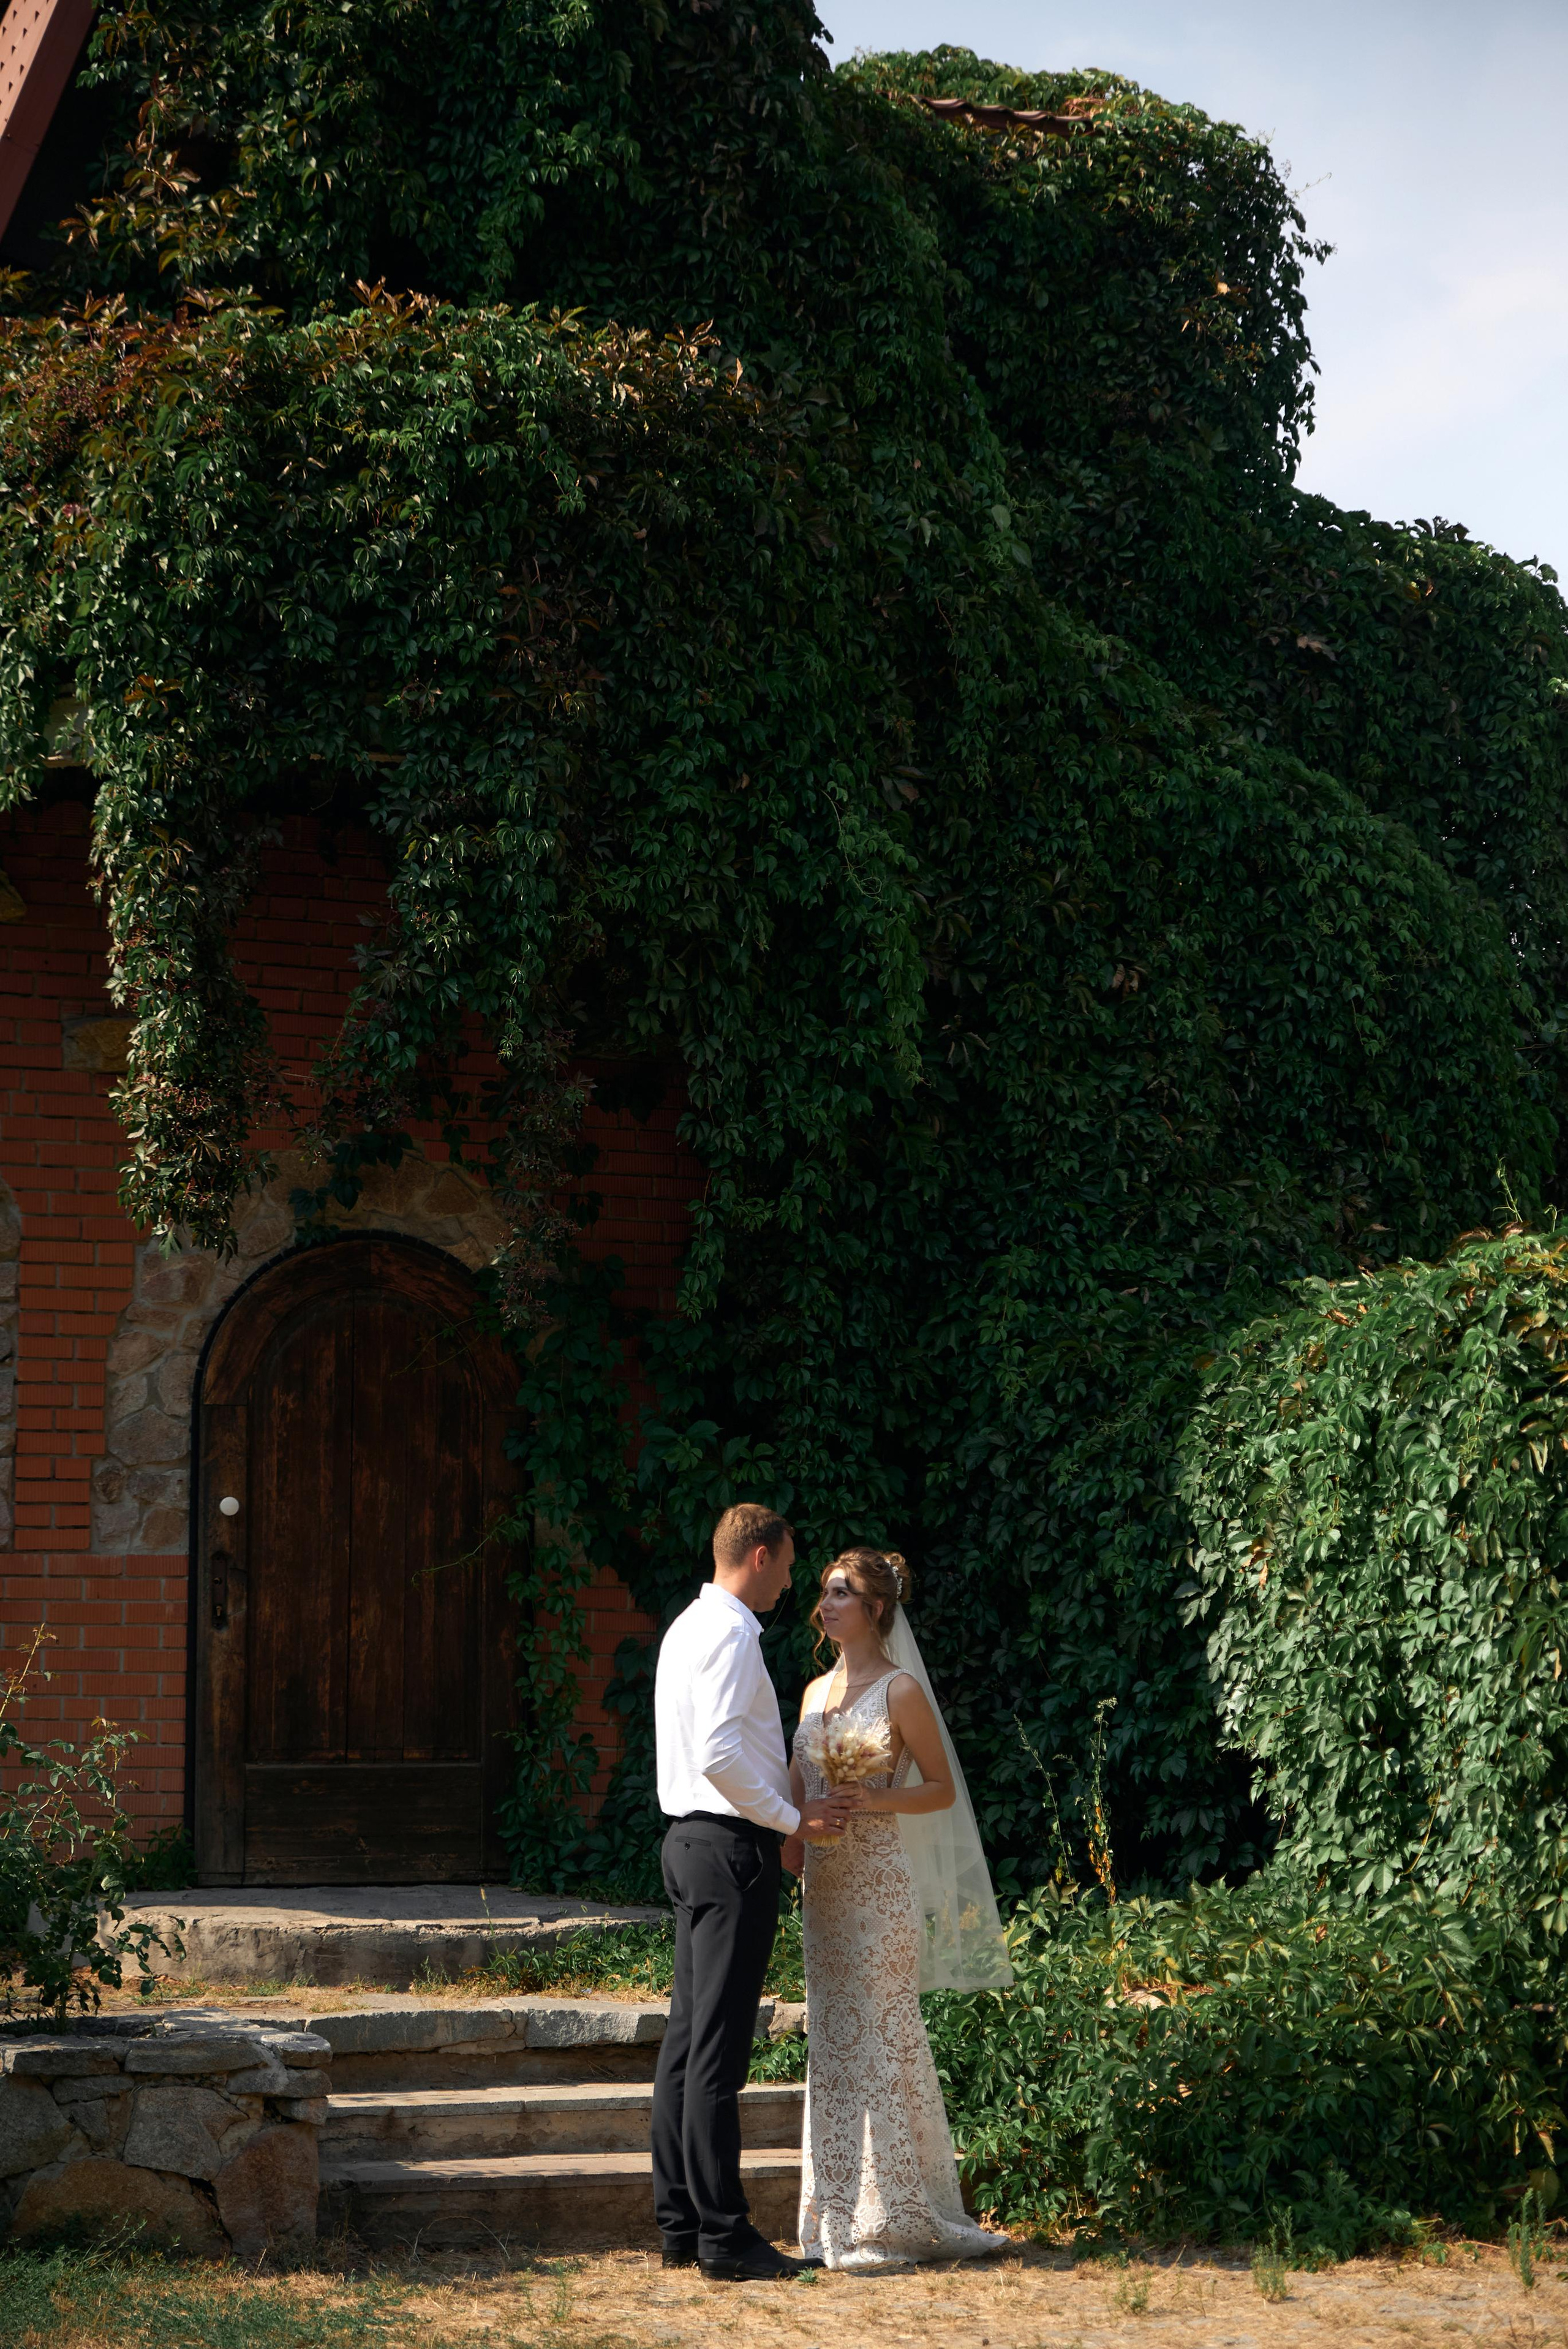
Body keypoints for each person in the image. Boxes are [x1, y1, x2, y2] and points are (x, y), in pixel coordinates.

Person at [783, 1547, 1014, 2271]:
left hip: (880, 1889)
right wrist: (795, 1836)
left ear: (877, 1609)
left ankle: (897, 2215)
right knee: (833, 2041)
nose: (826, 1604)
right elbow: (793, 1791)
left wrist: (875, 1798)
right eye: (824, 1592)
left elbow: (942, 1788)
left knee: (882, 2035)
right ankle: (835, 2218)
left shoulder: (901, 1690)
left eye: (842, 1593)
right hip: (822, 1888)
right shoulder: (813, 1692)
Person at [651, 1503, 858, 2282]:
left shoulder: (685, 1627)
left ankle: (680, 2225)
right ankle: (724, 2238)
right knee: (717, 2054)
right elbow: (715, 1753)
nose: (793, 1582)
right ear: (762, 1556)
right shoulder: (733, 1633)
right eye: (790, 1564)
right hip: (729, 1846)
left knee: (685, 2046)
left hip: (689, 1843)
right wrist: (788, 1818)